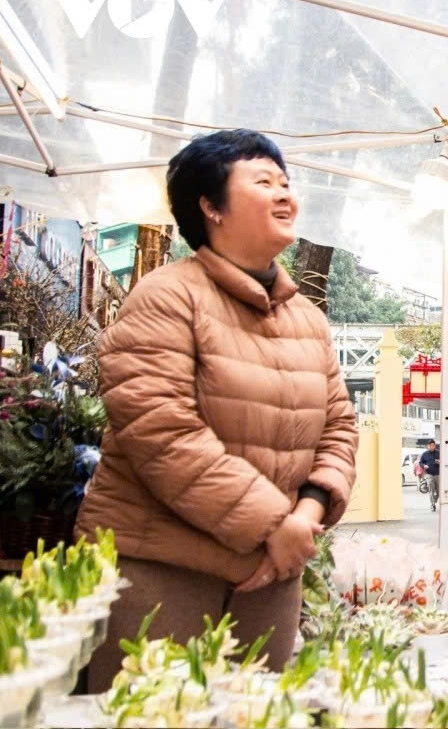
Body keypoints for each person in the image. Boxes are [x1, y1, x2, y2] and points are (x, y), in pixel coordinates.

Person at [76, 129, 359, 692]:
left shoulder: (307, 317)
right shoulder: (165, 296)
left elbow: (340, 427)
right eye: (263, 181)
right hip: (163, 571)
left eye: (286, 182)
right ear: (210, 206)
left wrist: (306, 515)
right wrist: (273, 524)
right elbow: (161, 433)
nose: (285, 195)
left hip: (271, 579)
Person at [419, 439, 440, 512]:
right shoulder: (425, 454)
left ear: (435, 446)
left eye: (433, 445)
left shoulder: (439, 453)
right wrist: (423, 466)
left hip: (438, 474)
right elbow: (420, 462)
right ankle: (432, 505)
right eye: (430, 445)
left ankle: (434, 500)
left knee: (439, 491)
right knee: (431, 489)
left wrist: (440, 462)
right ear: (428, 446)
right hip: (428, 474)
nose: (432, 447)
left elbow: (444, 461)